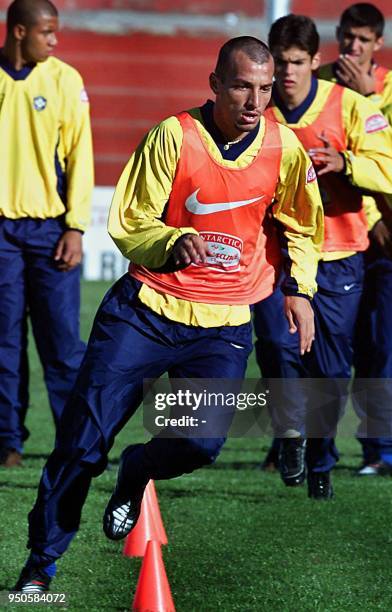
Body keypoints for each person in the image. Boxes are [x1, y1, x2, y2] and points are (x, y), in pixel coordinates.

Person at [13, 35, 323, 592]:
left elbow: (304, 224)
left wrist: (299, 289)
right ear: (214, 85)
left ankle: (137, 471)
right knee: (82, 443)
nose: (254, 101)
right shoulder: (173, 136)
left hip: (223, 326)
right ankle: (40, 565)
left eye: (265, 88)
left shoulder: (285, 148)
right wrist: (172, 239)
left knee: (200, 445)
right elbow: (131, 218)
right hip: (145, 314)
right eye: (241, 87)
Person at [254, 14, 392, 498]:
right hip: (273, 259)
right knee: (276, 347)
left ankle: (321, 460)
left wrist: (346, 164)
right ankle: (289, 434)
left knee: (330, 367)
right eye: (279, 62)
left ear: (317, 60)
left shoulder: (351, 107)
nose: (286, 73)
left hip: (339, 255)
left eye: (296, 63)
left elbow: (389, 170)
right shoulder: (258, 113)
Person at [0, 0, 94, 467]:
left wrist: (76, 226)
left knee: (62, 345)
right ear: (19, 31)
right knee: (4, 343)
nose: (55, 41)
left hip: (50, 232)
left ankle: (74, 442)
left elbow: (81, 159)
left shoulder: (65, 81)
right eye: (47, 32)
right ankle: (7, 442)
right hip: (1, 235)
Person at [319, 2, 392, 476]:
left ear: (378, 45)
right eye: (347, 37)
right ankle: (300, 444)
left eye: (363, 40)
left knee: (379, 345)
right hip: (329, 235)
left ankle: (380, 449)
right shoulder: (318, 82)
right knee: (318, 347)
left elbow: (387, 164)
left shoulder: (387, 92)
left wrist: (368, 100)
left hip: (383, 233)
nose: (353, 47)